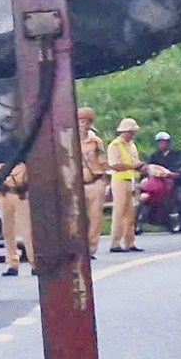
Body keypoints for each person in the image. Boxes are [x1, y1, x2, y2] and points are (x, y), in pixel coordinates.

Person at [107, 117, 144, 253]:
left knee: (130, 213)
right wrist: (133, 166)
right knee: (119, 211)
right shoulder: (115, 145)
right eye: (131, 132)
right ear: (124, 131)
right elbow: (114, 164)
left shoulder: (132, 145)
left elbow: (136, 161)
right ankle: (115, 243)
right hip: (120, 180)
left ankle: (130, 242)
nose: (132, 134)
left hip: (132, 180)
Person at [78, 107, 110, 256]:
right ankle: (79, 245)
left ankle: (91, 247)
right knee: (78, 216)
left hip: (95, 181)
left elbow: (103, 161)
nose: (83, 125)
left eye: (86, 122)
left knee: (95, 216)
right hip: (77, 183)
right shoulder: (70, 140)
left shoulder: (95, 142)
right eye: (80, 121)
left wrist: (104, 179)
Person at [0, 161, 32, 277]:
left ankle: (34, 262)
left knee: (27, 231)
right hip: (5, 194)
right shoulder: (0, 154)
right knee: (7, 231)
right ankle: (12, 263)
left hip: (22, 194)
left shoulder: (25, 155)